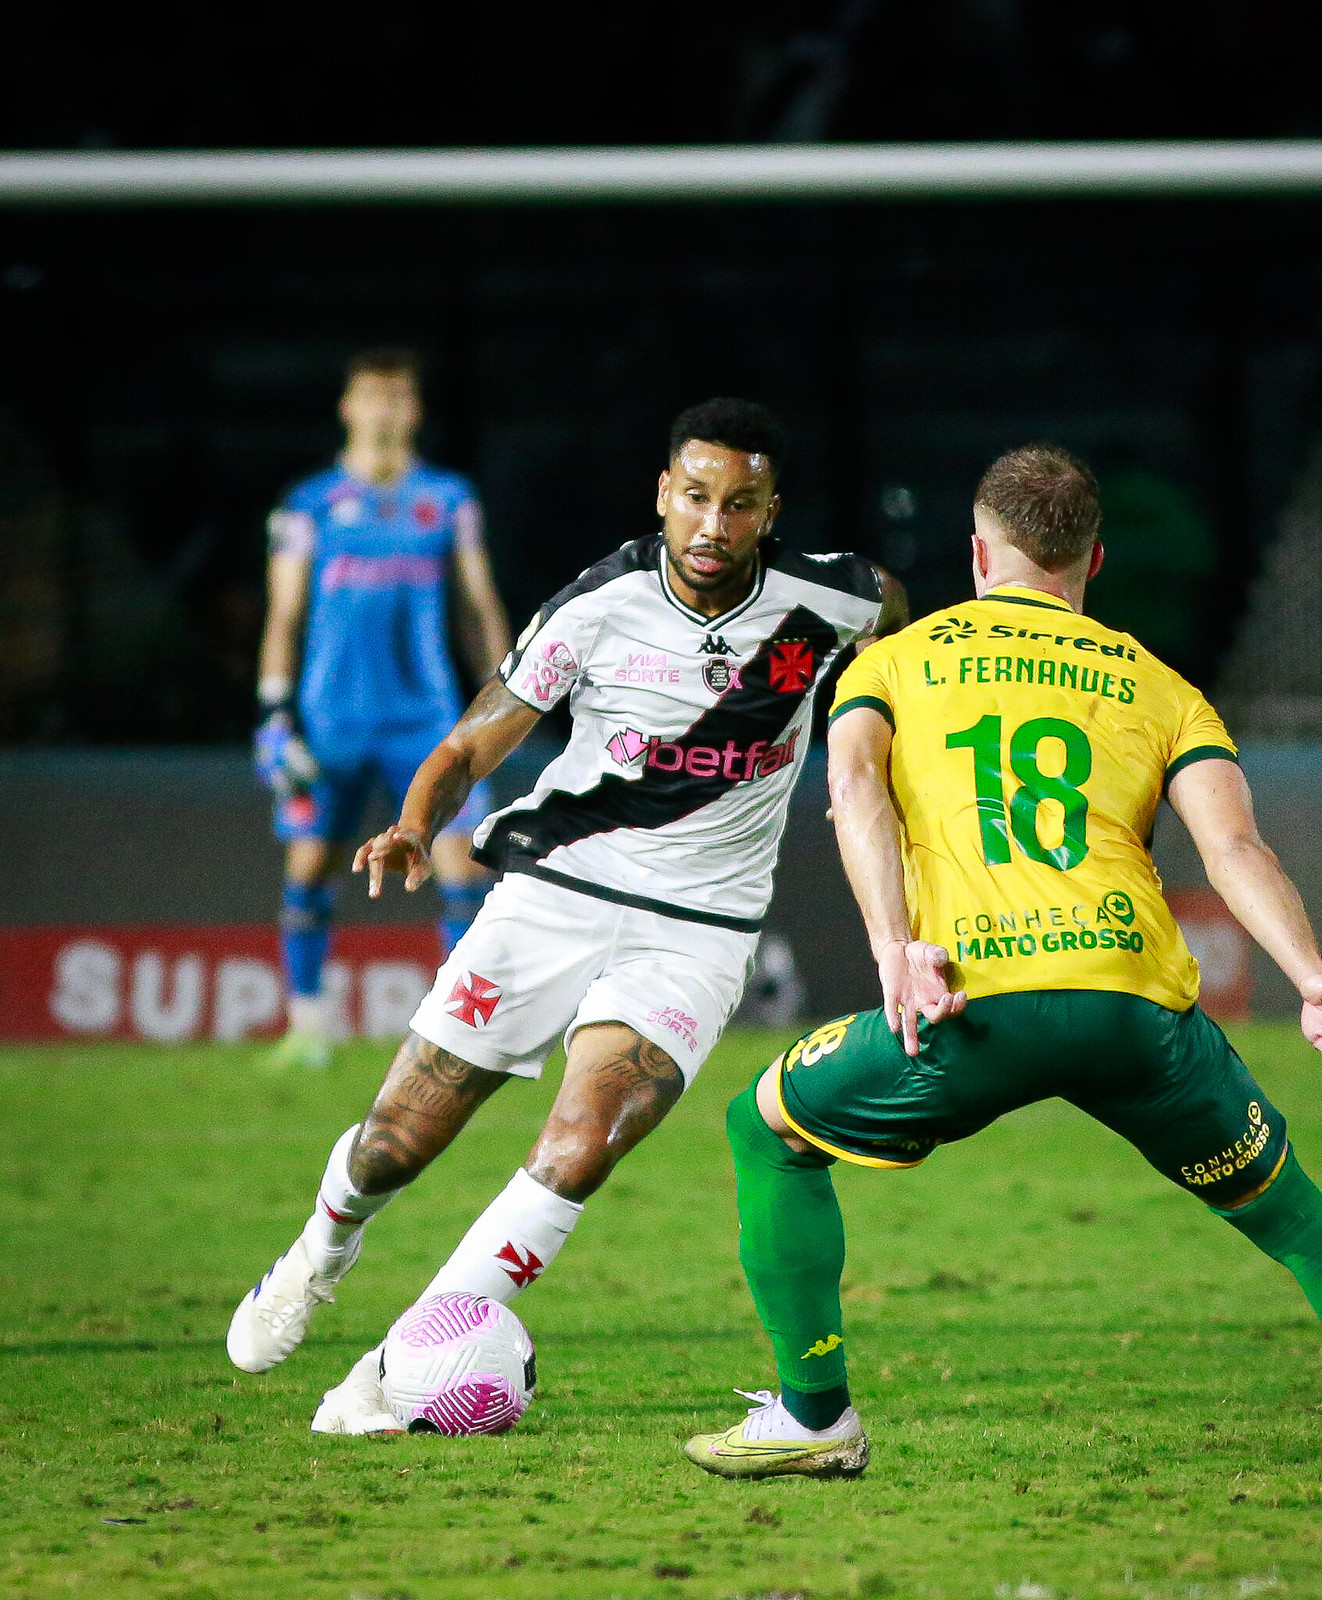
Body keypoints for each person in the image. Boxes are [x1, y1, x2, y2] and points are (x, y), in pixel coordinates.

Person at [685, 444, 1322, 1483]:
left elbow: (852, 793)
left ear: (979, 552)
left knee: (760, 1128)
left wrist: (894, 951)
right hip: (1135, 1012)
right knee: (1297, 1218)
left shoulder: (895, 660)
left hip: (974, 1005)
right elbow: (1234, 850)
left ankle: (815, 1413)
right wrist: (1310, 975)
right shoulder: (1159, 685)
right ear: (1093, 560)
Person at [227, 398, 909, 1432]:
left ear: (771, 512)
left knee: (588, 1136)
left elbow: (918, 646)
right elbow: (467, 747)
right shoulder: (599, 603)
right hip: (554, 895)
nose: (712, 523)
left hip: (699, 929)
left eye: (738, 503)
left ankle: (398, 1360)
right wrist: (417, 822)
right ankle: (320, 1250)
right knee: (393, 1144)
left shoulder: (843, 600)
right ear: (661, 496)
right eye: (693, 497)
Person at [255, 348, 511, 1068]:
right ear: (348, 406)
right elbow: (283, 615)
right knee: (310, 868)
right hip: (331, 720)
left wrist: (506, 693)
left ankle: (466, 1034)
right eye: (372, 396)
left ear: (415, 410)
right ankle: (308, 1028)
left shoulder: (449, 499)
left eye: (398, 397)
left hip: (427, 721)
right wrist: (274, 711)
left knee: (463, 867)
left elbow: (476, 601)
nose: (385, 410)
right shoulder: (308, 503)